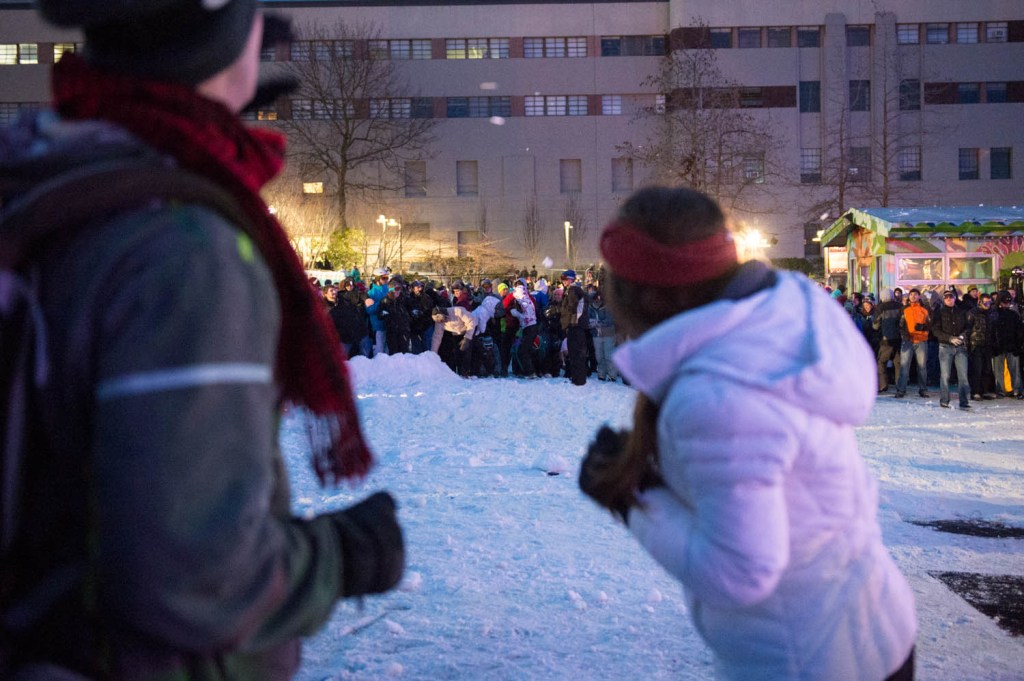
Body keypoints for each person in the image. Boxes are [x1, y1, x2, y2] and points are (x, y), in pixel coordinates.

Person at [0, 2, 404, 677]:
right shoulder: (184, 249)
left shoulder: (51, 175)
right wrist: (346, 553)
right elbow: (194, 578)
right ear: (221, 36)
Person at [577, 186, 916, 681]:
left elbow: (739, 572)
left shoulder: (718, 397)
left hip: (809, 659)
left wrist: (630, 497)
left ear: (646, 295)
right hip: (858, 628)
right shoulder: (778, 316)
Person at [931, 289, 971, 409]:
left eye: (951, 297)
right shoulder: (939, 313)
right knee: (945, 375)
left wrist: (962, 336)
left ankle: (964, 401)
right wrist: (949, 338)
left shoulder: (962, 312)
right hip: (945, 346)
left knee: (963, 376)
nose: (949, 299)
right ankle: (944, 400)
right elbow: (935, 330)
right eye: (947, 297)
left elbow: (968, 327)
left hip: (960, 347)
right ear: (944, 299)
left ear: (955, 298)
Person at [895, 288, 931, 399]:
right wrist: (904, 336)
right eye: (911, 294)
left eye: (915, 294)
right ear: (908, 297)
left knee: (922, 367)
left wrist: (923, 327)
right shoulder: (904, 309)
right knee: (904, 366)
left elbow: (931, 324)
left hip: (921, 340)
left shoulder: (925, 309)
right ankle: (901, 390)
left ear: (919, 296)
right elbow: (900, 325)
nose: (913, 296)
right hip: (908, 341)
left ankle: (923, 390)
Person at [559, 269, 589, 385]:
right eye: (562, 279)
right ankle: (578, 378)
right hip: (576, 325)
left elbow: (571, 307)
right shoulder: (575, 290)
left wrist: (559, 310)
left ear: (570, 279)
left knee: (575, 353)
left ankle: (578, 379)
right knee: (577, 353)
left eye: (565, 279)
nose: (563, 281)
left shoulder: (573, 290)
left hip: (575, 325)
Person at [966, 292, 997, 400]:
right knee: (977, 369)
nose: (987, 305)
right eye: (985, 302)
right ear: (980, 302)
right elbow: (968, 329)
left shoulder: (992, 313)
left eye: (989, 302)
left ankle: (985, 390)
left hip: (988, 344)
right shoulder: (972, 313)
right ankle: (975, 391)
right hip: (976, 344)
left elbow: (994, 330)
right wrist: (968, 345)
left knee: (987, 369)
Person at [873, 288, 902, 393]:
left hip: (886, 339)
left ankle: (883, 385)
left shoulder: (881, 307)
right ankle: (900, 386)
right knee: (898, 362)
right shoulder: (899, 306)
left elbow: (875, 325)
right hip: (899, 339)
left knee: (881, 362)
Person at [587, 289, 618, 381]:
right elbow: (588, 319)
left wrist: (598, 323)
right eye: (596, 298)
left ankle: (612, 374)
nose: (598, 300)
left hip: (608, 334)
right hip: (596, 334)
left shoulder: (608, 307)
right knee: (599, 355)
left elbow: (610, 321)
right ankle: (601, 374)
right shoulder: (590, 308)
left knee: (608, 355)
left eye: (600, 298)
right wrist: (590, 324)